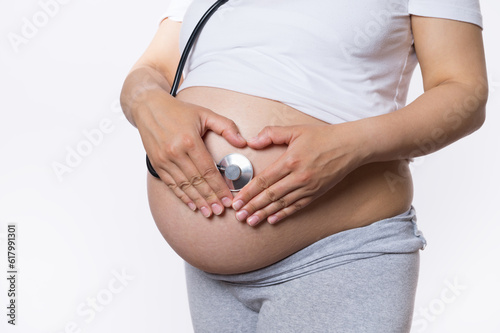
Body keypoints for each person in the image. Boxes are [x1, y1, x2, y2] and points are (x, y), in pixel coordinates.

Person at [120, 0, 488, 332]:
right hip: (211, 280)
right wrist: (148, 101)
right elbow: (154, 67)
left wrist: (350, 145)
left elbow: (463, 92)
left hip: (336, 257)